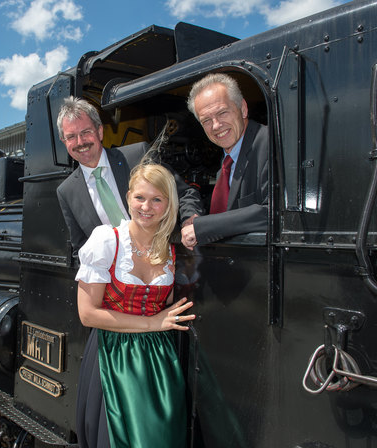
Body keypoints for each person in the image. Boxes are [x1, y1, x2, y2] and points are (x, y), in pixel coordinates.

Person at [75, 163, 195, 448]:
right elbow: (87, 314)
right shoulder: (107, 240)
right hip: (113, 353)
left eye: (157, 199)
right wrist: (153, 323)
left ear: (168, 204)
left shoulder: (171, 250)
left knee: (161, 436)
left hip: (158, 360)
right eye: (140, 197)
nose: (146, 207)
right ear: (128, 197)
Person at [56, 96, 203, 254]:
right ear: (64, 141)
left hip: (166, 261)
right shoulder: (66, 191)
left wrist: (190, 221)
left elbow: (184, 193)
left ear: (99, 132)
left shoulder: (139, 156)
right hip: (115, 277)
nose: (80, 142)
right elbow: (81, 248)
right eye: (71, 136)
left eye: (86, 132)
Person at [181, 73, 268, 249]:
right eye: (206, 120)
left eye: (222, 113)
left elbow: (273, 213)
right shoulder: (226, 163)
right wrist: (192, 216)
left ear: (243, 108)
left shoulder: (270, 144)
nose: (216, 126)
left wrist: (202, 228)